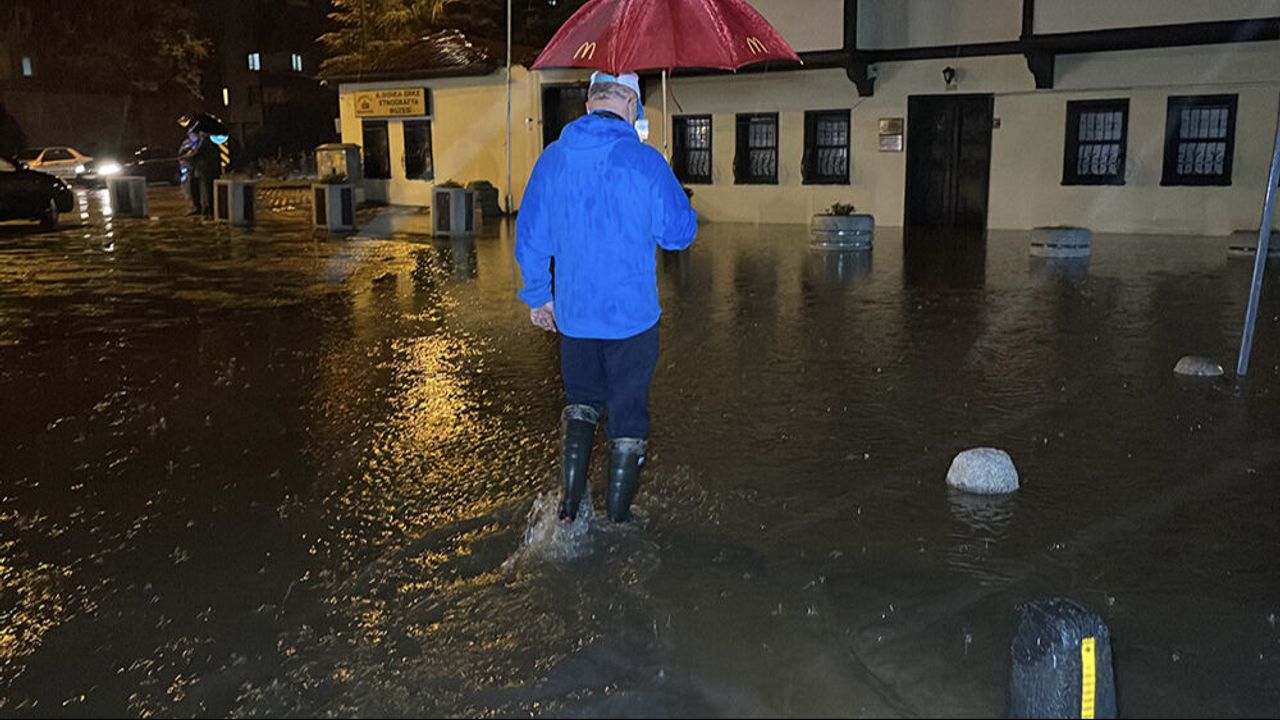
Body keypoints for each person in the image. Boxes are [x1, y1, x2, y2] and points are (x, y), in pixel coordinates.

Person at [515, 71, 698, 524]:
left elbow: (531, 236)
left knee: (580, 403)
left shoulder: (553, 158)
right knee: (627, 414)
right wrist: (667, 181)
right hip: (632, 320)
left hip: (575, 317)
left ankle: (569, 511)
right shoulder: (644, 161)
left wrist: (541, 296)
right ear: (632, 107)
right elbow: (679, 235)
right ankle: (619, 521)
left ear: (588, 105)